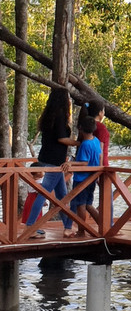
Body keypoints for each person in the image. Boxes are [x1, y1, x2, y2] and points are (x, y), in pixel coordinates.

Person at [26, 89, 78, 238]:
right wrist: (77, 142)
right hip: (54, 162)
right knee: (43, 194)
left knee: (62, 196)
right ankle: (30, 227)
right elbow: (61, 138)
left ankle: (68, 227)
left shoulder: (49, 115)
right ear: (63, 100)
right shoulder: (60, 117)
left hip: (46, 158)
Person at [66, 116, 102, 238]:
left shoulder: (85, 144)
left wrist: (71, 163)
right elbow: (100, 157)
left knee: (80, 205)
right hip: (92, 178)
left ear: (80, 129)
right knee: (88, 204)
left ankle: (82, 231)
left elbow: (84, 162)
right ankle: (103, 225)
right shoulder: (96, 140)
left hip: (82, 179)